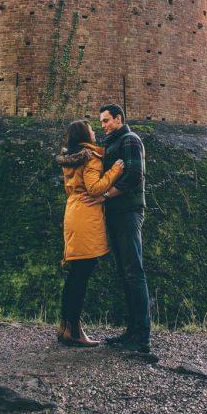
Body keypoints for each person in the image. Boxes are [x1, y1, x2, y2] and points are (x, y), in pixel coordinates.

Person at [53, 119, 124, 346]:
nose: (95, 131)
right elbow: (94, 188)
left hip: (73, 211)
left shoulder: (71, 159)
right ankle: (74, 331)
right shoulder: (90, 156)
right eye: (92, 129)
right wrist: (115, 171)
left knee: (75, 274)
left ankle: (65, 326)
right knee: (81, 275)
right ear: (85, 134)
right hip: (86, 215)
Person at [91, 103, 151, 353]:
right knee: (125, 271)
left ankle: (142, 337)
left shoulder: (130, 139)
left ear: (118, 118)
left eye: (106, 120)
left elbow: (135, 174)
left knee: (133, 271)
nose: (102, 125)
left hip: (128, 210)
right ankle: (132, 331)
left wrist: (106, 195)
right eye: (101, 121)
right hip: (116, 212)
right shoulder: (114, 142)